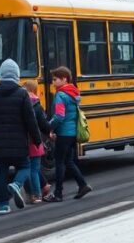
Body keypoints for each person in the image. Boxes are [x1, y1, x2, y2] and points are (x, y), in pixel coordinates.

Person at [0, 60, 41, 214]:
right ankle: (16, 184)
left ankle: (3, 205)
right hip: (19, 141)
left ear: (1, 74)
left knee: (1, 171)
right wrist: (37, 139)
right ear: (17, 75)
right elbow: (30, 120)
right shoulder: (22, 94)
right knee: (25, 166)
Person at [45, 67, 91, 203]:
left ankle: (58, 193)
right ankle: (83, 185)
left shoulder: (60, 95)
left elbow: (59, 116)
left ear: (64, 79)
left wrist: (49, 127)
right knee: (69, 161)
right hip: (72, 133)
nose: (53, 82)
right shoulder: (73, 93)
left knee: (59, 162)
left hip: (64, 133)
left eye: (55, 79)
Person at [23, 80, 52, 204]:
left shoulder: (21, 103)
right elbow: (43, 124)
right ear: (35, 90)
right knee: (34, 169)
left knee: (25, 168)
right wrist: (49, 133)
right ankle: (37, 194)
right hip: (35, 140)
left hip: (23, 140)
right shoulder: (37, 105)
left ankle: (33, 194)